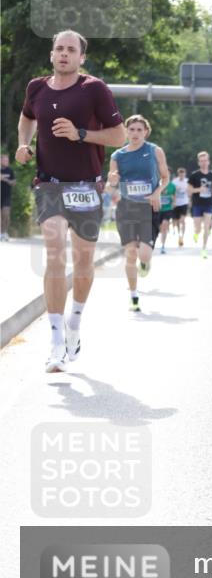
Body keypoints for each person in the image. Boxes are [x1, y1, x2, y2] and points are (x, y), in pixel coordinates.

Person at [16, 30, 125, 371]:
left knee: (82, 263)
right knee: (53, 252)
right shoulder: (36, 87)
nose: (64, 54)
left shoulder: (94, 89)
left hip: (85, 187)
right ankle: (54, 341)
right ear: (51, 55)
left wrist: (81, 134)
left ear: (81, 58)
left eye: (71, 50)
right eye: (59, 49)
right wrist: (24, 144)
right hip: (48, 184)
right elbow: (27, 118)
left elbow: (119, 136)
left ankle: (74, 323)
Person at [107, 115, 168, 313]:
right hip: (126, 208)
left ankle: (145, 262)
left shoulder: (154, 151)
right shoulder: (117, 156)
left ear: (146, 132)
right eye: (131, 129)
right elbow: (111, 186)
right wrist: (112, 181)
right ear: (126, 131)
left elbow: (165, 177)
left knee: (144, 254)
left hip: (148, 207)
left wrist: (157, 192)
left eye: (139, 130)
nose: (135, 133)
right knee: (130, 252)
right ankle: (134, 296)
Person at [188, 151, 212, 259]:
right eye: (201, 161)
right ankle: (196, 233)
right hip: (197, 204)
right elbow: (189, 190)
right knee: (198, 229)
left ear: (208, 162)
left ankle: (204, 249)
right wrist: (199, 189)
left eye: (205, 160)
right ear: (199, 163)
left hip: (208, 204)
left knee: (206, 227)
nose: (204, 163)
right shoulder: (194, 175)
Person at [158, 168, 176, 254]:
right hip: (157, 209)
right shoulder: (157, 185)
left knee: (165, 225)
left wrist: (173, 203)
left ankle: (163, 245)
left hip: (167, 209)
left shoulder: (172, 186)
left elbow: (174, 197)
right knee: (159, 227)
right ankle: (159, 238)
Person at [172, 167, 189, 246]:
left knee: (182, 220)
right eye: (180, 174)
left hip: (184, 203)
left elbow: (190, 191)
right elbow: (171, 192)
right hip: (176, 204)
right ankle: (179, 234)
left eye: (183, 174)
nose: (182, 175)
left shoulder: (187, 181)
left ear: (185, 174)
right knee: (177, 221)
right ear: (178, 174)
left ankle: (182, 236)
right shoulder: (174, 182)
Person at [1, 152, 16, 241]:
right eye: (5, 160)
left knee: (5, 215)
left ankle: (4, 232)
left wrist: (5, 180)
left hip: (6, 196)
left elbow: (14, 182)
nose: (7, 161)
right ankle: (0, 234)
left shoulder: (10, 171)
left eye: (7, 160)